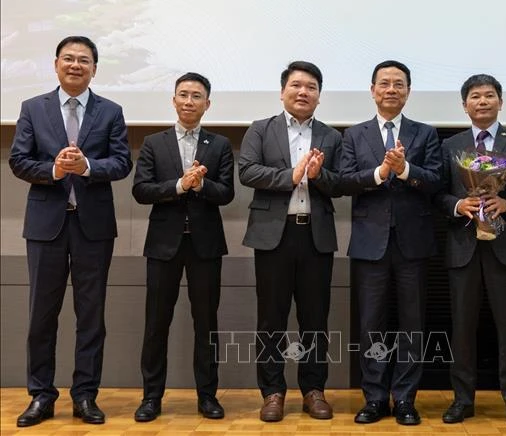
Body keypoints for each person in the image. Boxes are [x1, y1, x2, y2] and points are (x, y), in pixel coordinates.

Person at [9, 36, 133, 427]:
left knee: (91, 315)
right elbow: (18, 160)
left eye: (84, 60)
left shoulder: (111, 111)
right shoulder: (33, 108)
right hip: (46, 226)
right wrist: (55, 171)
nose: (76, 65)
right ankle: (41, 396)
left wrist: (88, 168)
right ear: (56, 64)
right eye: (69, 58)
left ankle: (85, 396)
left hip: (92, 227)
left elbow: (121, 163)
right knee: (41, 316)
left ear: (95, 68)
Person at [435, 74, 506, 428]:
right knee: (462, 327)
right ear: (464, 105)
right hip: (463, 248)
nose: (483, 102)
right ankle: (462, 400)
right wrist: (458, 204)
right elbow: (437, 193)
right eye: (475, 97)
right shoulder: (451, 145)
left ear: (501, 101)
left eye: (490, 95)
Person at [238, 61, 342, 422]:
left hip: (315, 236)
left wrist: (318, 175)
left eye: (311, 87)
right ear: (283, 91)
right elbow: (247, 171)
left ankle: (313, 389)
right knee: (271, 319)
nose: (303, 92)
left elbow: (339, 184)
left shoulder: (331, 135)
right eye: (297, 85)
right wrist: (291, 175)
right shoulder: (260, 129)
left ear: (318, 95)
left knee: (315, 319)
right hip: (273, 237)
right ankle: (272, 392)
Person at [340, 60, 442, 426]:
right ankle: (375, 398)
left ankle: (405, 400)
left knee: (413, 325)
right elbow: (345, 182)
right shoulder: (354, 135)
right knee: (371, 325)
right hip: (370, 244)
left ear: (408, 91)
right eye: (384, 83)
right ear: (372, 90)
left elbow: (435, 181)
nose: (391, 90)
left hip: (413, 244)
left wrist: (406, 171)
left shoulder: (426, 133)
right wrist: (381, 173)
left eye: (399, 84)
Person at [131, 72, 234, 422]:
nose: (189, 101)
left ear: (208, 104)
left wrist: (201, 184)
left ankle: (207, 397)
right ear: (173, 100)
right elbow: (141, 191)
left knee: (206, 323)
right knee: (156, 324)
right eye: (183, 95)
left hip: (205, 247)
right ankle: (151, 398)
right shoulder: (153, 143)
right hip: (163, 246)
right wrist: (178, 185)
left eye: (197, 96)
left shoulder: (218, 145)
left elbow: (227, 193)